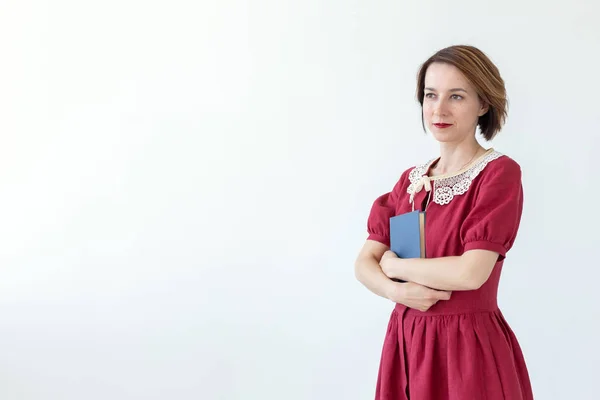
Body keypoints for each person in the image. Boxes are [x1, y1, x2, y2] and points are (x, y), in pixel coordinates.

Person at [354, 45, 534, 400]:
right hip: (405, 343)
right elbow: (363, 264)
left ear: (483, 104)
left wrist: (394, 264)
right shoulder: (411, 180)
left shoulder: (498, 173)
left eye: (456, 96)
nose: (439, 109)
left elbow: (470, 273)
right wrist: (396, 290)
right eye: (430, 95)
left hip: (466, 346)